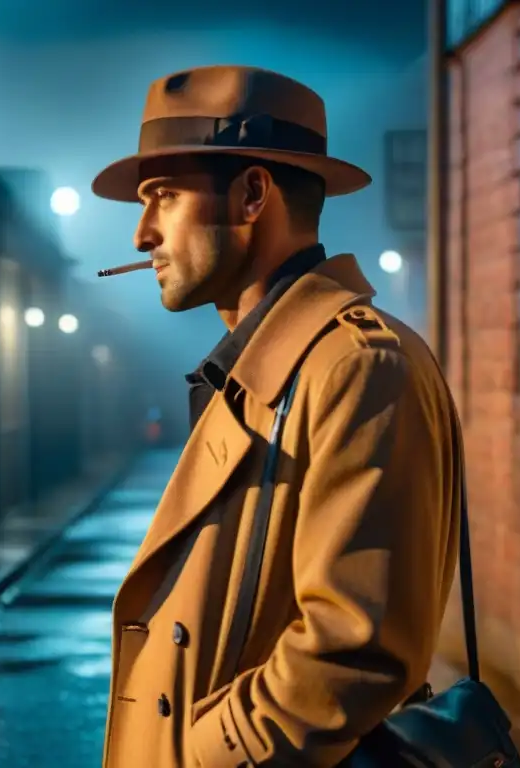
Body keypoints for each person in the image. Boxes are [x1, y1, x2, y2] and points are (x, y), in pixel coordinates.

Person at [92, 65, 463, 768]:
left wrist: (193, 757)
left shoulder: (358, 367)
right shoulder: (259, 369)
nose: (142, 234)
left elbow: (355, 650)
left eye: (163, 197)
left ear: (254, 193)